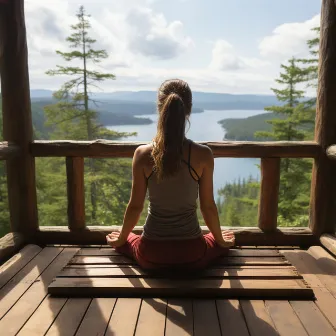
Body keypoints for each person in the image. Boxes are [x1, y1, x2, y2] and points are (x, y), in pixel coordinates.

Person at [106, 79, 235, 270]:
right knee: (224, 238)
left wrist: (123, 240)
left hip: (151, 254)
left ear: (160, 109)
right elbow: (207, 206)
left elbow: (135, 206)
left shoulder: (142, 154)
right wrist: (220, 240)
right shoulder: (203, 154)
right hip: (192, 254)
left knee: (125, 239)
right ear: (188, 111)